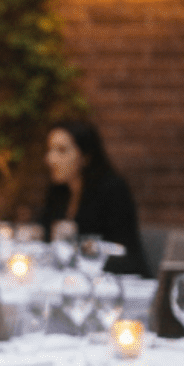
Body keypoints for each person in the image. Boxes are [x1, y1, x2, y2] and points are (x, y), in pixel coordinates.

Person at [37, 118, 146, 275]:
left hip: (118, 281)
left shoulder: (112, 190)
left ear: (85, 156)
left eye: (61, 150)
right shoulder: (58, 192)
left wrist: (78, 248)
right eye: (50, 150)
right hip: (73, 281)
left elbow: (126, 255)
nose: (50, 159)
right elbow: (45, 241)